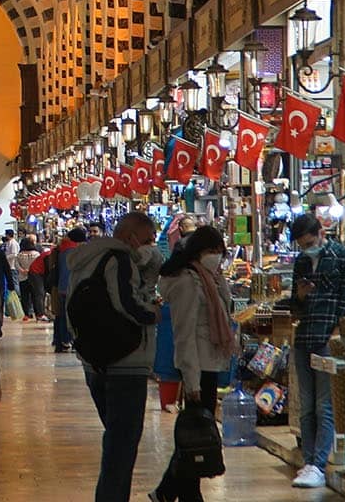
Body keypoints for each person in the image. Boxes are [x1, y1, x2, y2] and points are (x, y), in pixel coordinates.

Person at [66, 213, 160, 502]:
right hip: (126, 361)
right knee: (122, 444)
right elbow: (128, 304)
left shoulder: (85, 260)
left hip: (94, 359)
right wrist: (155, 313)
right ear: (131, 237)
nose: (150, 246)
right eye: (148, 240)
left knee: (116, 439)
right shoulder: (119, 259)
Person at [150, 227, 237, 502]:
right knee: (197, 435)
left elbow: (226, 309)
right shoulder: (188, 283)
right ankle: (180, 494)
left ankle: (167, 492)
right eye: (212, 251)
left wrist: (221, 281)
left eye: (220, 252)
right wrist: (191, 380)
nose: (216, 257)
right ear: (198, 252)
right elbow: (184, 333)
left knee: (198, 434)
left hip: (210, 364)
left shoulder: (210, 279)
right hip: (197, 367)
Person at [288, 212, 345, 489]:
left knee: (324, 404)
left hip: (327, 339)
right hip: (305, 337)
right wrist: (300, 297)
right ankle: (308, 461)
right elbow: (294, 306)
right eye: (302, 246)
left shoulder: (344, 257)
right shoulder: (301, 262)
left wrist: (336, 334)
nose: (306, 249)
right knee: (307, 406)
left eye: (309, 243)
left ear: (321, 233)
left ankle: (318, 464)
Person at [49, 226, 88, 352]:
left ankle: (60, 340)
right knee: (68, 315)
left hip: (61, 287)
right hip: (69, 287)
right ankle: (66, 340)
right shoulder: (72, 252)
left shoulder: (62, 249)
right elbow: (68, 272)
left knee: (61, 315)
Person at [14, 235, 46, 321]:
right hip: (34, 277)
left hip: (22, 277)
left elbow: (16, 265)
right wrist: (30, 270)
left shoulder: (19, 255)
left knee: (25, 297)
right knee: (35, 296)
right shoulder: (36, 254)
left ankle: (26, 314)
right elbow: (39, 264)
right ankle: (38, 314)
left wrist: (22, 270)